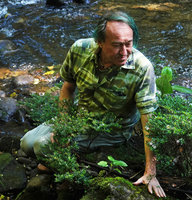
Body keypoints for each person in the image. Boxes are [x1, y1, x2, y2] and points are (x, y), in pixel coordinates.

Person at [20, 11, 166, 198]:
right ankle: (61, 159)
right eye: (116, 45)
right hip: (79, 118)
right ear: (100, 42)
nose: (124, 52)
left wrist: (151, 173)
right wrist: (65, 127)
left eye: (128, 44)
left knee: (42, 146)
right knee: (26, 144)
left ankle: (69, 172)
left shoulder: (142, 68)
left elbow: (149, 122)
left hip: (113, 130)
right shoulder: (79, 49)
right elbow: (67, 88)